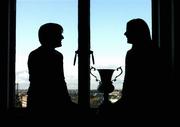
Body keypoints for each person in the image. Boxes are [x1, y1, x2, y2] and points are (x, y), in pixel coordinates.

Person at [114, 18, 162, 120]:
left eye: (129, 30)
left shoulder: (132, 54)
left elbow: (130, 86)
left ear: (137, 32)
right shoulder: (155, 51)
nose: (125, 34)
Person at [26, 23, 73, 117]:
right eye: (59, 34)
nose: (62, 37)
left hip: (36, 101)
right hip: (52, 103)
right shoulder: (56, 56)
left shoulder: (34, 54)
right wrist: (67, 102)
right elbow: (59, 82)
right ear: (51, 36)